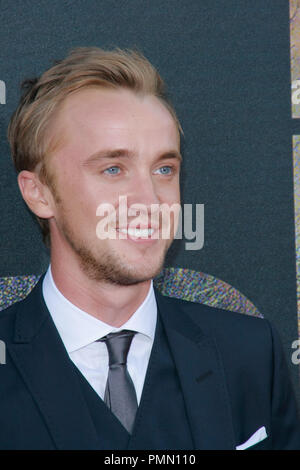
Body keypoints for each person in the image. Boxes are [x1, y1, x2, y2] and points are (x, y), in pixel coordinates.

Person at [0, 47, 299, 450]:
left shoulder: (248, 353)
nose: (150, 201)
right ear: (39, 193)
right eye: (113, 169)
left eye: (163, 169)